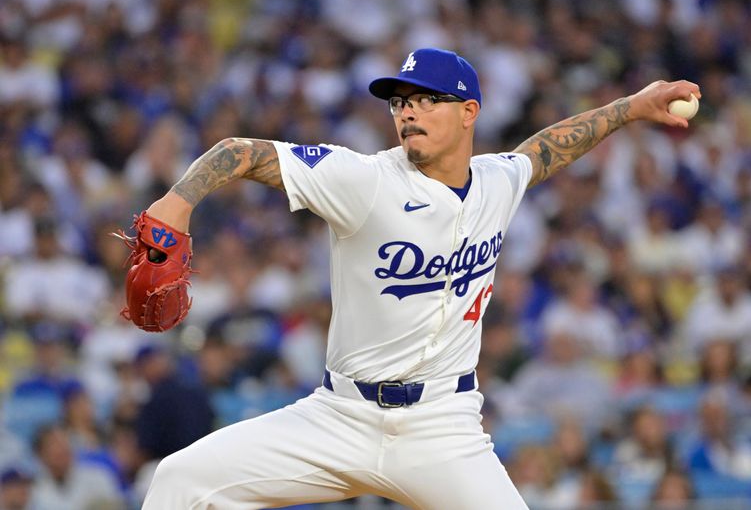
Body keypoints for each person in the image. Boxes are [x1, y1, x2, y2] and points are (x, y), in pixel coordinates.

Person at [139, 47, 700, 508]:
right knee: (178, 482)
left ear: (469, 112)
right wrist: (177, 202)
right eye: (401, 101)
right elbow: (241, 151)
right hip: (340, 417)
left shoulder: (497, 182)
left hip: (443, 428)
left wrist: (630, 107)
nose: (408, 111)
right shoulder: (363, 180)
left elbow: (547, 149)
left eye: (428, 100)